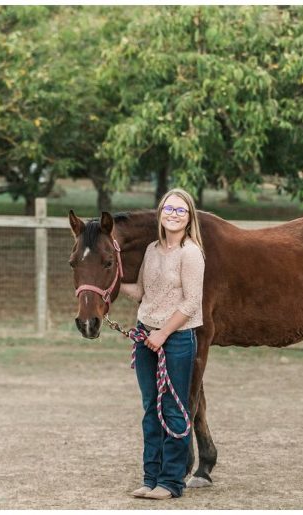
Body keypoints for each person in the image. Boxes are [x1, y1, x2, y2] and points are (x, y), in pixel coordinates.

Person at [119, 188, 205, 500]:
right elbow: (142, 290)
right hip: (146, 336)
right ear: (160, 212)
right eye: (169, 208)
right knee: (149, 409)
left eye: (181, 210)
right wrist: (109, 282)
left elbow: (192, 303)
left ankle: (170, 482)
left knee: (173, 408)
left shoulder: (191, 253)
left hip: (176, 340)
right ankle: (150, 477)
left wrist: (163, 334)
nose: (173, 214)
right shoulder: (152, 250)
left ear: (189, 217)